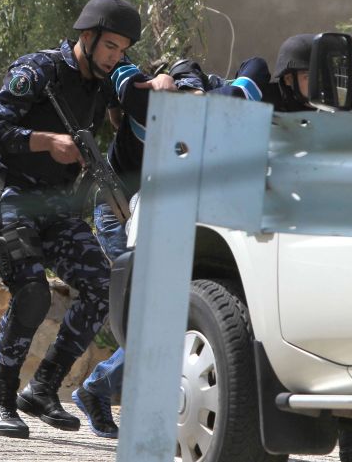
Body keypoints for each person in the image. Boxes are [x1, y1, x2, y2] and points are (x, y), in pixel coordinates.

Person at [0, 0, 165, 439]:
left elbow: (143, 89)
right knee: (32, 292)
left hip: (56, 206)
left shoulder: (105, 80)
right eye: (110, 46)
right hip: (9, 194)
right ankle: (0, 403)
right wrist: (46, 142)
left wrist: (164, 79)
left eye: (122, 49)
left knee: (101, 286)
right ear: (88, 37)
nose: (116, 57)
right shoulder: (39, 70)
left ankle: (42, 389)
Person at [72, 54, 271, 438]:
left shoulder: (216, 105)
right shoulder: (152, 105)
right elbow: (118, 74)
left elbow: (255, 68)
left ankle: (101, 389)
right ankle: (101, 389)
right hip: (120, 215)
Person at [269, 33, 352, 462]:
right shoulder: (264, 107)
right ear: (288, 78)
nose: (320, 86)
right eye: (310, 76)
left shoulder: (321, 114)